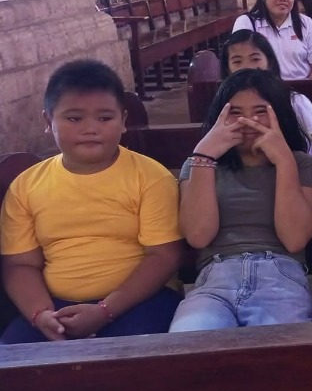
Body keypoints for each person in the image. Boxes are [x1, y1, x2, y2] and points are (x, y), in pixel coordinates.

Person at [0, 60, 182, 344]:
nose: (90, 129)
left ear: (123, 120)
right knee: (13, 359)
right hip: (55, 306)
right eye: (74, 119)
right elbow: (20, 265)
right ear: (48, 122)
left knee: (135, 357)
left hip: (141, 299)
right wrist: (41, 315)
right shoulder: (26, 186)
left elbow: (163, 257)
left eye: (104, 118)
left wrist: (105, 311)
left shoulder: (150, 177)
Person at [168, 69, 312, 332]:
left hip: (280, 274)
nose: (248, 121)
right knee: (188, 341)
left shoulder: (300, 163)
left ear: (279, 114)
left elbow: (294, 239)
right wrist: (204, 156)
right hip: (215, 278)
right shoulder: (200, 163)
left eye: (261, 111)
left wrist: (283, 160)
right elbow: (198, 236)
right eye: (235, 112)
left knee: (287, 346)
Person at [220, 30, 312, 152]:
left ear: (269, 62)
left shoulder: (294, 101)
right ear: (227, 69)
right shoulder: (224, 105)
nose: (247, 67)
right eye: (237, 61)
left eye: (255, 59)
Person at [232, 0, 312, 80]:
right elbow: (239, 68)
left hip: (301, 87)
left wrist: (304, 89)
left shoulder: (306, 23)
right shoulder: (246, 22)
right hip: (261, 88)